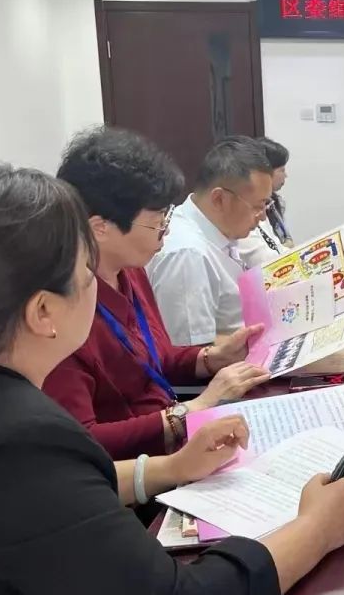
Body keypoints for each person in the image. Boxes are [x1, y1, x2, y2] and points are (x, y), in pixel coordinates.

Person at [0, 164, 344, 595]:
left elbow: (46, 497)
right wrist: (318, 528)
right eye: (86, 272)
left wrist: (169, 468)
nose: (98, 284)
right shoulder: (16, 441)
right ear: (43, 312)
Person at [46, 129, 271, 460]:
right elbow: (85, 440)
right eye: (156, 222)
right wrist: (194, 409)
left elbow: (153, 359)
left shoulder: (130, 270)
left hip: (176, 440)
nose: (166, 232)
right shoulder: (60, 311)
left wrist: (211, 358)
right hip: (143, 468)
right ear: (100, 228)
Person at [148, 136, 274, 345]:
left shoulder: (221, 230)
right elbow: (190, 349)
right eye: (257, 206)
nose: (262, 216)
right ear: (219, 199)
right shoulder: (187, 254)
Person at [239, 136, 294, 269]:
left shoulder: (267, 203)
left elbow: (277, 247)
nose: (286, 175)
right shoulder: (241, 212)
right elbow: (264, 261)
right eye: (282, 170)